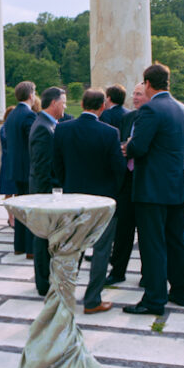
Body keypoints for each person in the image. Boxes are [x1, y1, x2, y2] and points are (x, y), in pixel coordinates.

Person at [124, 63, 184, 315]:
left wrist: (128, 147)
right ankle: (181, 292)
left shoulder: (150, 110)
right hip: (178, 184)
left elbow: (139, 147)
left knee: (152, 243)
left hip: (153, 188)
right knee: (178, 241)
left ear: (147, 83)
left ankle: (154, 299)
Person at [53, 88, 126, 314]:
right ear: (102, 106)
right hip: (103, 201)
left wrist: (67, 185)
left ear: (82, 104)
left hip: (73, 198)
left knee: (72, 249)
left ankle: (64, 296)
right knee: (102, 251)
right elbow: (119, 169)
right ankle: (93, 300)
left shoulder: (62, 129)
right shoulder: (110, 133)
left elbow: (56, 165)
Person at [107, 83, 149, 285]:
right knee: (123, 230)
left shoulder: (153, 118)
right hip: (126, 180)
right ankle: (117, 271)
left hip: (146, 181)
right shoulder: (127, 118)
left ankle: (147, 274)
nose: (135, 97)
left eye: (139, 94)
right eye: (134, 94)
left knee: (146, 231)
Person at [29, 86, 65, 295]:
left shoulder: (47, 124)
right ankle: (43, 283)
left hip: (47, 191)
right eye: (64, 102)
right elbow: (41, 167)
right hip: (45, 193)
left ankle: (48, 277)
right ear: (54, 103)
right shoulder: (43, 127)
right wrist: (48, 195)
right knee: (43, 238)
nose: (65, 107)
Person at [4, 81, 37, 253]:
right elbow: (33, 142)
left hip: (15, 168)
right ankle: (31, 249)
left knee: (20, 209)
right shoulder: (28, 115)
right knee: (29, 210)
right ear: (31, 95)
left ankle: (19, 246)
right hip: (27, 169)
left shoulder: (11, 115)